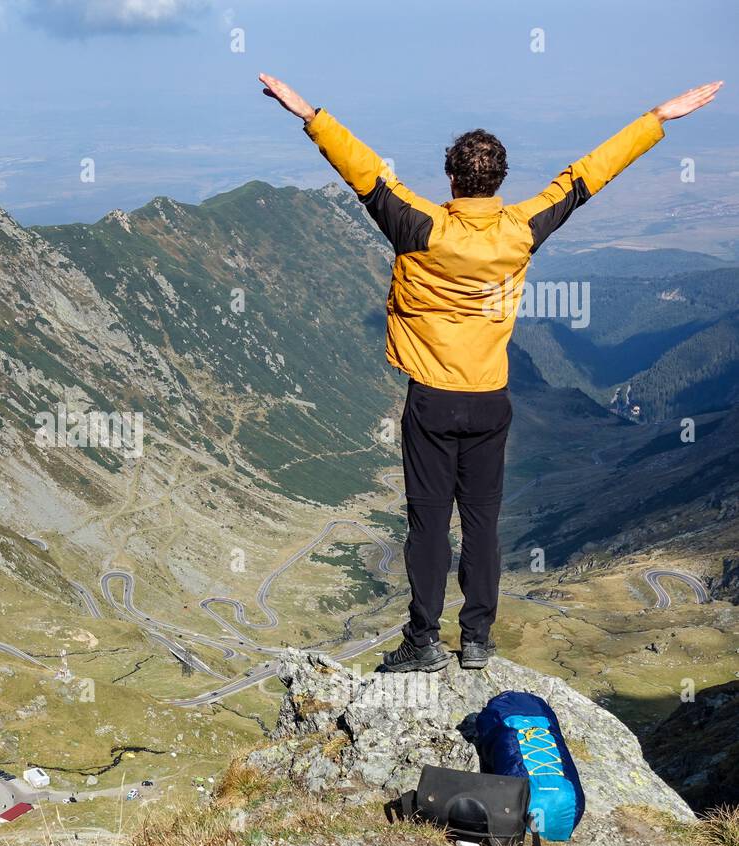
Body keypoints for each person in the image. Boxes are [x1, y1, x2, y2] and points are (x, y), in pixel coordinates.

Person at [259, 74, 723, 672]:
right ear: (499, 181)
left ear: (451, 178)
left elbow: (364, 171)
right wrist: (656, 117)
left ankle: (422, 641)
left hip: (430, 400)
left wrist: (309, 113)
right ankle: (476, 640)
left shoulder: (417, 225)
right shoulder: (521, 229)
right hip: (489, 402)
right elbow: (585, 178)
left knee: (427, 524)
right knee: (482, 523)